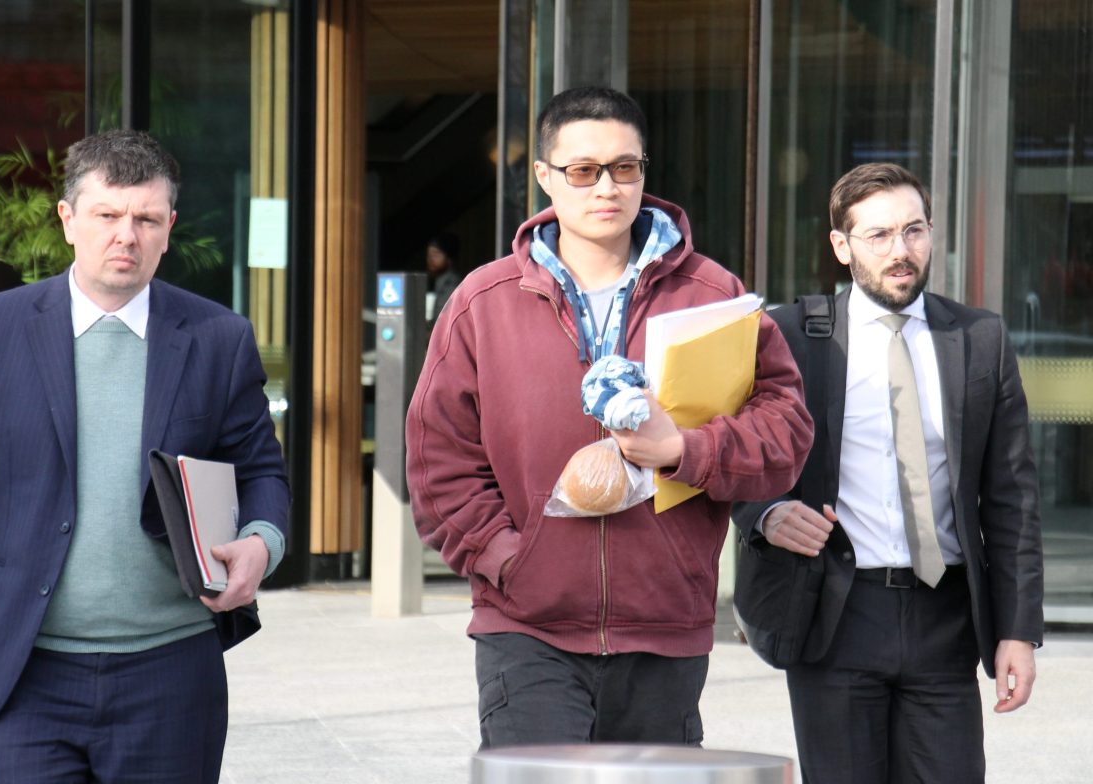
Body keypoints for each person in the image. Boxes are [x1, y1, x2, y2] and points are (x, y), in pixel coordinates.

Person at [405, 85, 814, 748]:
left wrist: (683, 448)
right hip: (527, 630)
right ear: (544, 177)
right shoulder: (483, 302)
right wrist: (510, 560)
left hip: (665, 630)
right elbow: (438, 463)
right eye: (583, 170)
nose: (607, 188)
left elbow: (786, 434)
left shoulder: (714, 296)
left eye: (625, 168)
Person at [0, 129, 290, 782]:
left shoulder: (219, 338)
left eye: (146, 219)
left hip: (170, 675)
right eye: (107, 215)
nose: (125, 235)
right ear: (69, 220)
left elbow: (260, 469)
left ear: (169, 227)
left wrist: (261, 541)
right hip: (25, 675)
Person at [733, 162, 1043, 783]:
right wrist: (766, 515)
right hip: (835, 614)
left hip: (945, 618)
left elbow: (1011, 495)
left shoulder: (981, 339)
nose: (900, 252)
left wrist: (1018, 630)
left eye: (913, 230)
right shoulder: (789, 336)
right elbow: (736, 456)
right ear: (841, 246)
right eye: (878, 235)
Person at [425, 231, 462, 321]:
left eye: (436, 255)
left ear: (449, 258)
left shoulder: (452, 284)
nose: (430, 260)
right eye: (429, 255)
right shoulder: (435, 282)